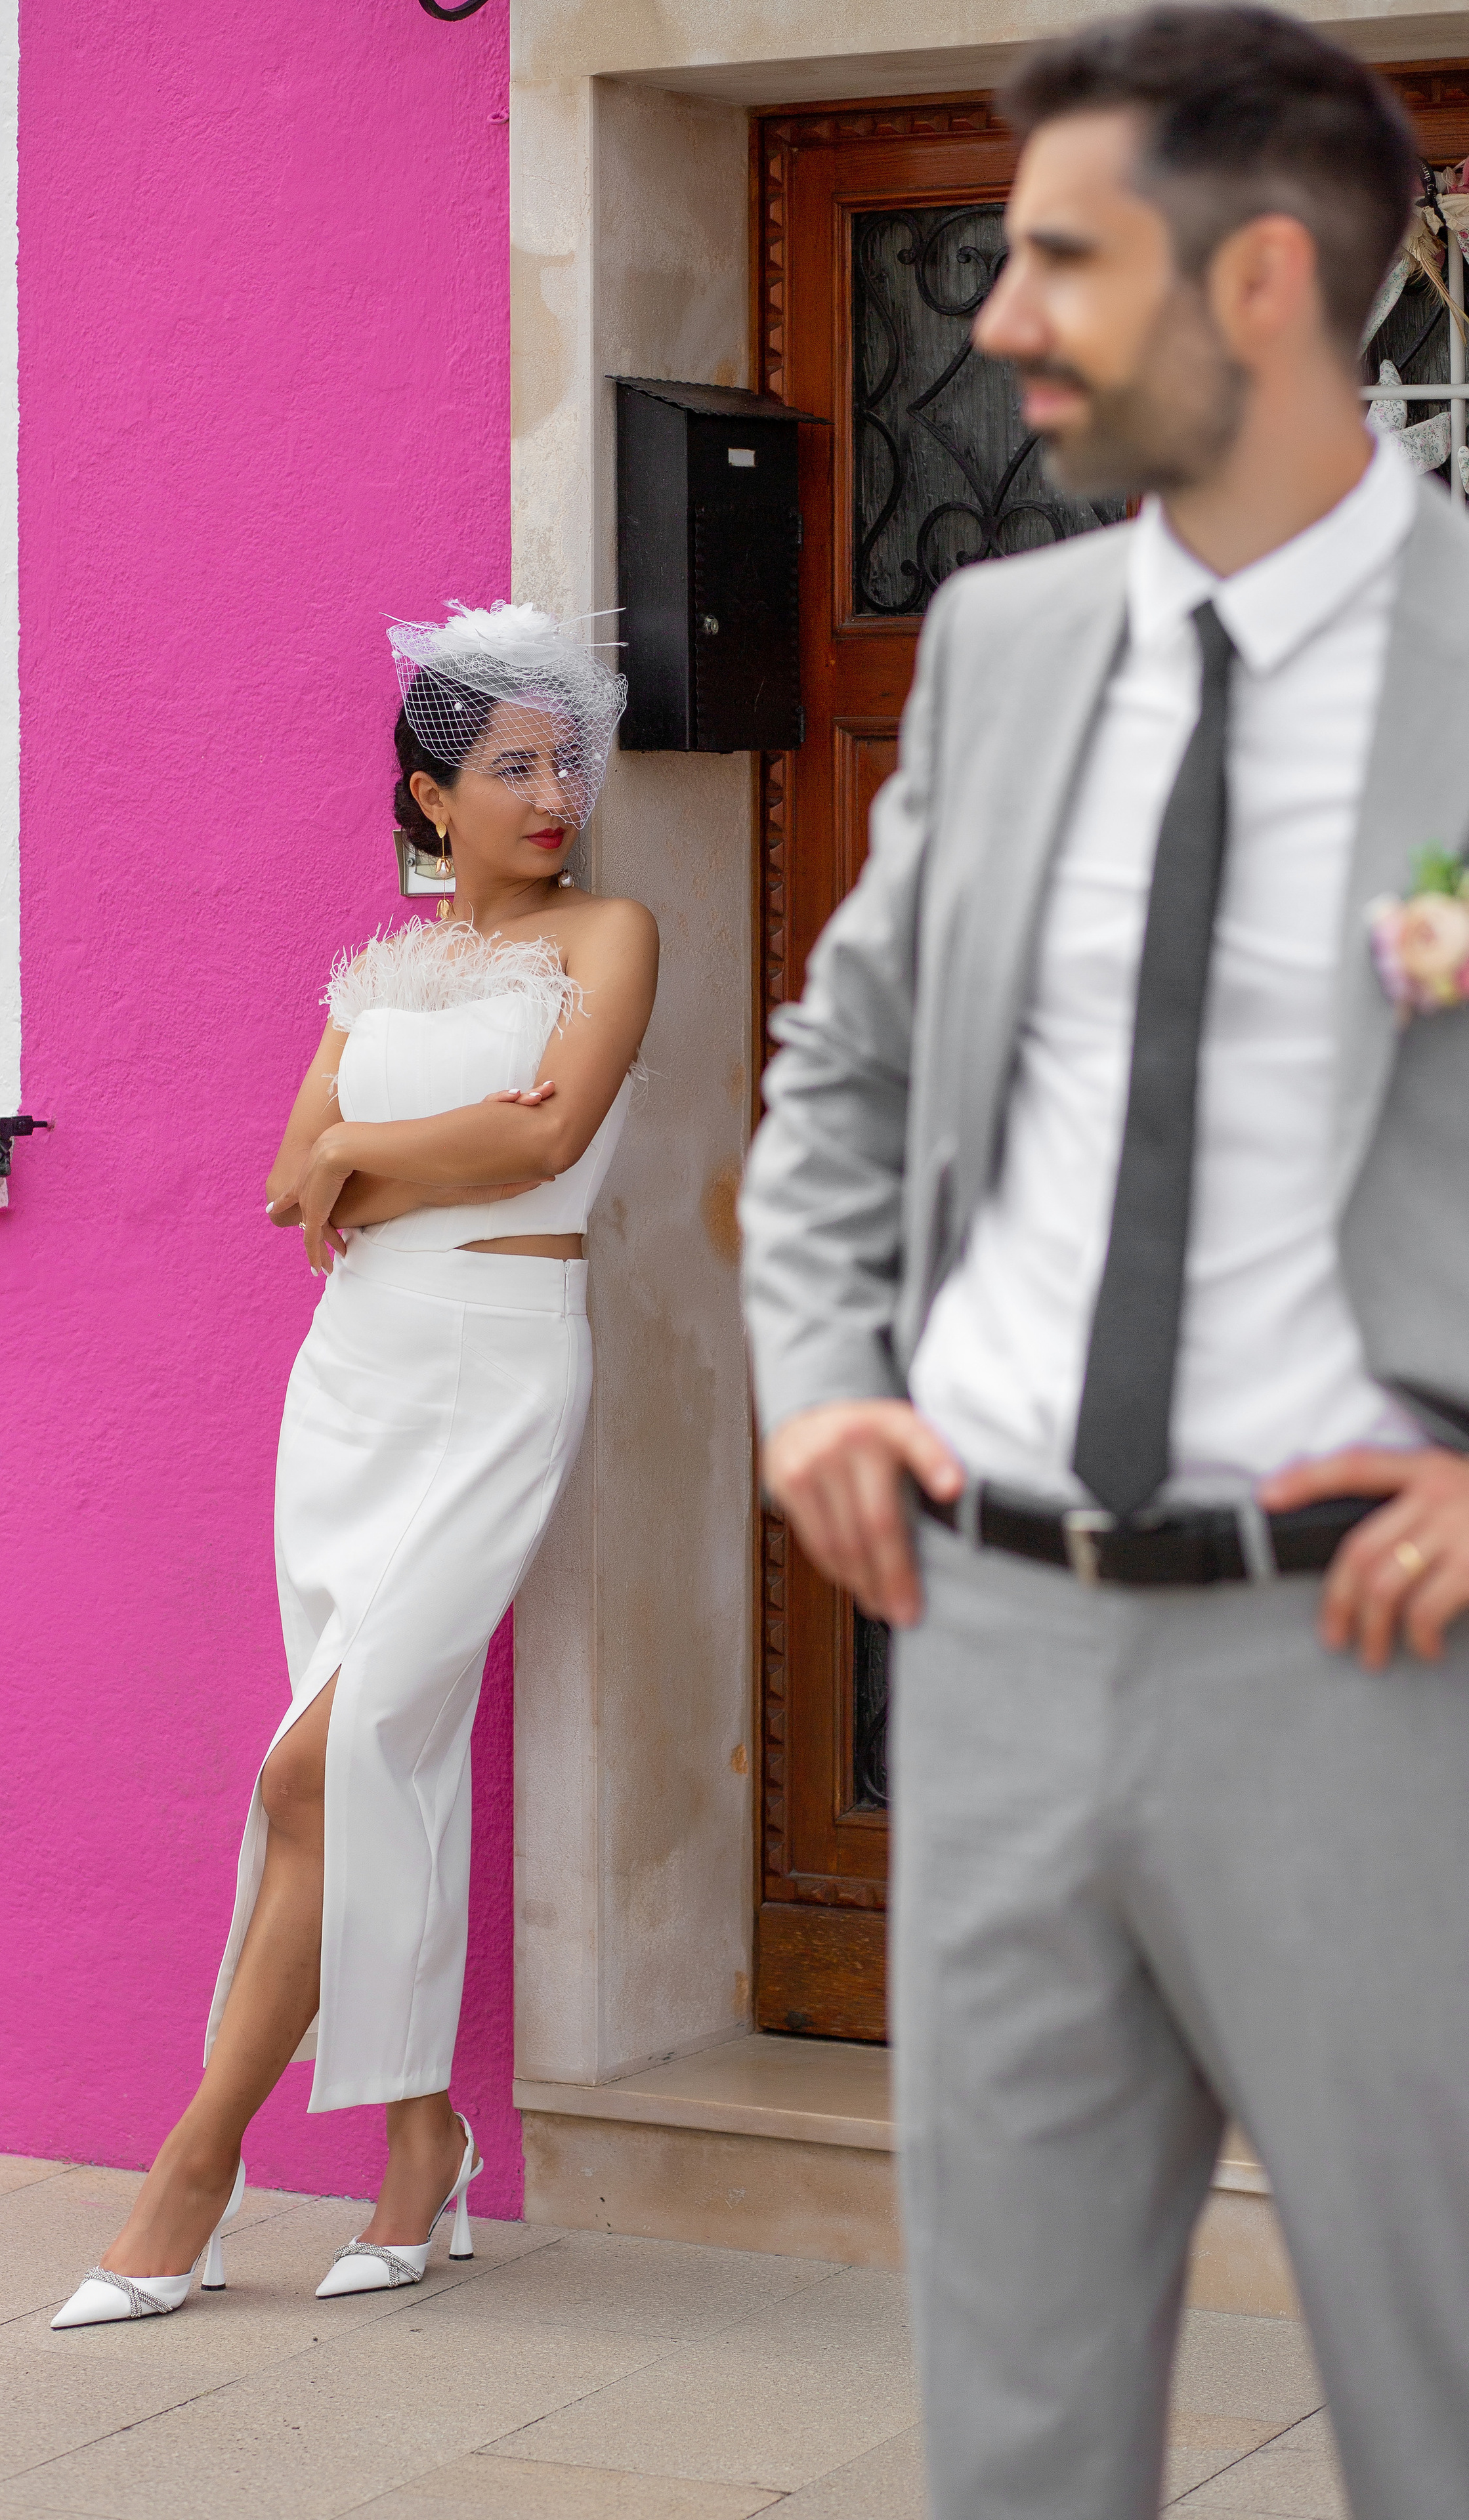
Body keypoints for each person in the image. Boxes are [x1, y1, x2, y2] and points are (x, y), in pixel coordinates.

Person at [739, 12, 1469, 2515]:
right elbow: (843, 1074)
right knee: (1016, 2442)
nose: (999, 318)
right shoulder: (1007, 648)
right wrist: (819, 1371)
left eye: (1061, 255)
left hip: (1377, 1667)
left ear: (1260, 282)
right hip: (999, 1644)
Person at [54, 602, 657, 2328]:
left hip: (498, 1366)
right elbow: (273, 1182)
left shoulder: (615, 931)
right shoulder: (374, 974)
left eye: (566, 762)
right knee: (374, 1770)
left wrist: (361, 1156)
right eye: (512, 768)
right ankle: (421, 2144)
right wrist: (354, 1162)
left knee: (323, 1763)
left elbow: (544, 1132)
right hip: (353, 1387)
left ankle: (192, 2171)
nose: (553, 794)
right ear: (431, 794)